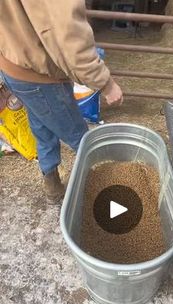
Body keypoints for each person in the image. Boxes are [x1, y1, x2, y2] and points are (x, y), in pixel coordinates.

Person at [0, 0, 123, 204]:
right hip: (39, 73)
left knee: (42, 127)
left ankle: (53, 186)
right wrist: (106, 84)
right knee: (81, 138)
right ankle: (110, 191)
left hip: (14, 65)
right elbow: (70, 35)